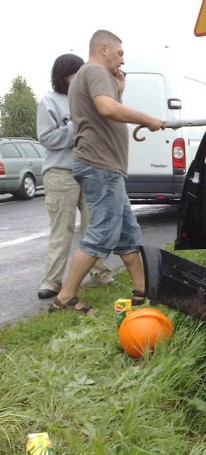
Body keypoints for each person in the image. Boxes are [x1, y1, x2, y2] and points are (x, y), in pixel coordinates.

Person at [49, 30, 164, 314]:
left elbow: (104, 109)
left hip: (104, 166)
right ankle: (65, 297)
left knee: (127, 232)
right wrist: (148, 118)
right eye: (120, 53)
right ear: (104, 49)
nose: (121, 59)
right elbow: (106, 108)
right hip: (99, 165)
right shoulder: (96, 70)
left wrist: (119, 91)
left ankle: (141, 291)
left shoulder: (86, 77)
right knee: (101, 233)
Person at [36, 53, 115, 300]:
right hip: (61, 173)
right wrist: (75, 126)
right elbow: (46, 138)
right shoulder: (48, 102)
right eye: (75, 72)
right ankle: (51, 282)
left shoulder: (90, 99)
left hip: (91, 171)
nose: (81, 76)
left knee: (96, 226)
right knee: (63, 230)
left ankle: (101, 274)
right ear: (62, 75)